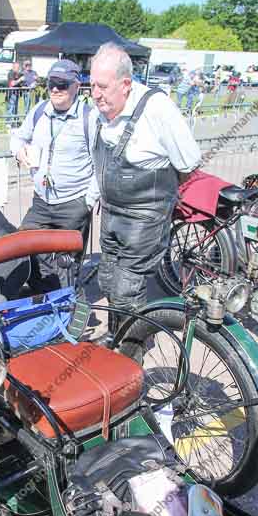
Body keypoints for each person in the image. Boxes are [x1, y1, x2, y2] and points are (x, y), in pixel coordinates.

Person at [89, 42, 201, 344]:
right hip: (112, 213)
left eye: (103, 86)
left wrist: (160, 199)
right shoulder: (96, 113)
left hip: (145, 217)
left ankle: (130, 354)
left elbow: (189, 161)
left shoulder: (157, 108)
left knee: (127, 288)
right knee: (108, 280)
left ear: (126, 84)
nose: (96, 94)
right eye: (91, 86)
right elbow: (97, 163)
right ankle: (117, 336)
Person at [10, 59, 97, 292]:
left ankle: (67, 311)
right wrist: (19, 152)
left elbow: (102, 165)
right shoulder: (39, 111)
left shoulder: (90, 118)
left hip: (73, 203)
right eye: (51, 84)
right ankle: (45, 299)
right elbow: (17, 138)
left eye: (62, 84)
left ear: (76, 86)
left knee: (67, 264)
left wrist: (86, 202)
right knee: (24, 246)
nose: (56, 90)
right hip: (41, 201)